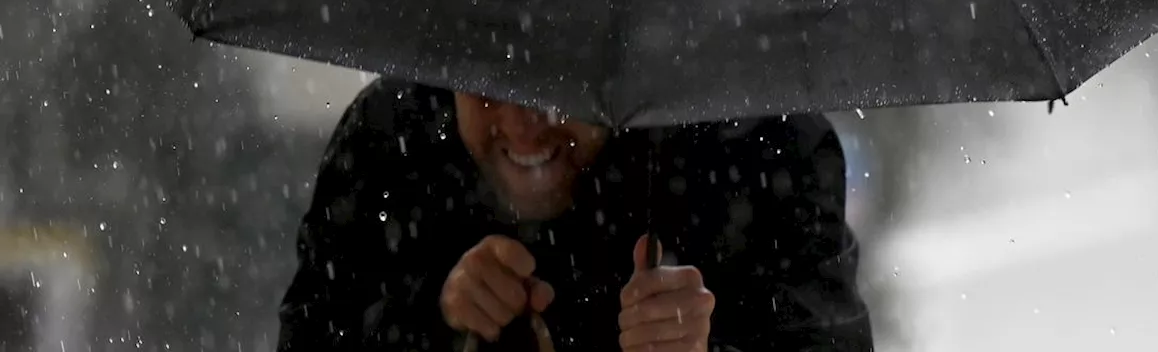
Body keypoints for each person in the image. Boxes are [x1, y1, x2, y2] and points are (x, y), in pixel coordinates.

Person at [277, 78, 874, 351]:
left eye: (555, 84)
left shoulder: (759, 146)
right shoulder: (391, 146)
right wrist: (431, 319)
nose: (520, 124)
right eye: (484, 81)